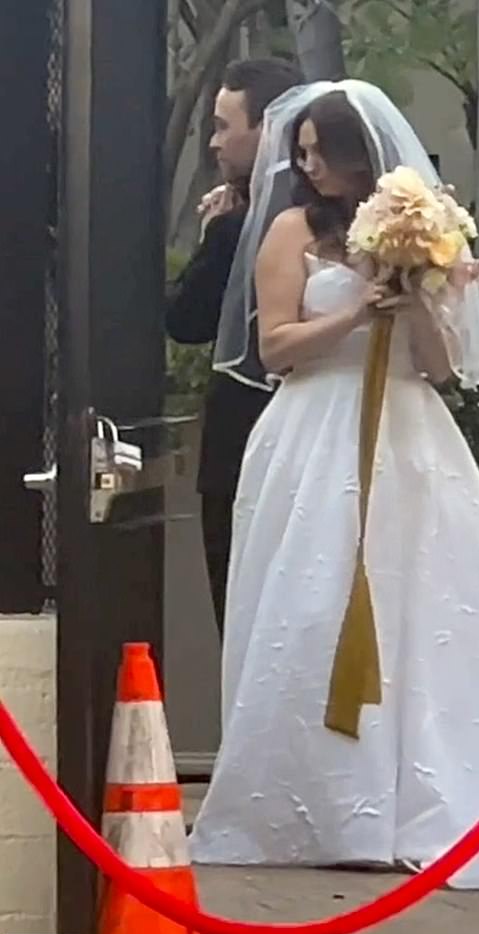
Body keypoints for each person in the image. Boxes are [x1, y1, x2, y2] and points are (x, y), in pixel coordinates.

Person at [188, 80, 479, 887]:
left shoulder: (425, 229)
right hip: (314, 430)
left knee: (429, 602)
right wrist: (357, 312)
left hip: (410, 435)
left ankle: (427, 791)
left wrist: (414, 302)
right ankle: (316, 799)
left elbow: (444, 368)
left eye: (319, 151)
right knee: (312, 602)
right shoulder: (290, 228)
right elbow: (276, 348)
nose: (307, 166)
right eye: (297, 151)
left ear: (358, 155)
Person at [166, 57, 303, 637]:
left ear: (268, 129)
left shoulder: (239, 230)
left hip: (242, 441)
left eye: (225, 126)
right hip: (315, 442)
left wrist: (214, 239)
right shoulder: (332, 220)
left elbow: (186, 319)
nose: (217, 143)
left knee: (246, 620)